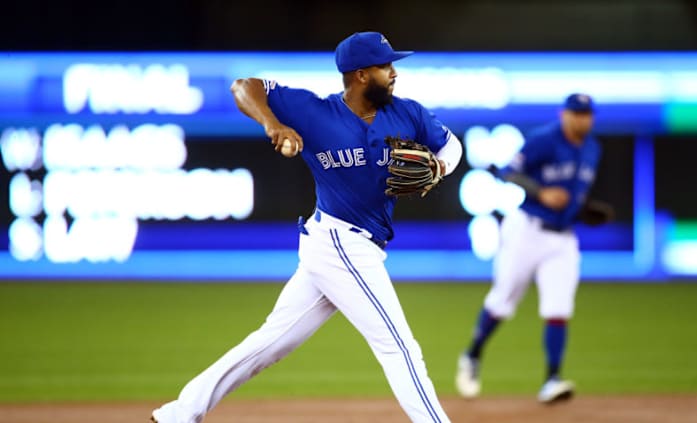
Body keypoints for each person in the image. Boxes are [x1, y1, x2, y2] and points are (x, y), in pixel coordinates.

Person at [150, 31, 463, 423]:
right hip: (340, 242)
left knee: (271, 342)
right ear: (362, 74)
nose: (394, 72)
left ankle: (180, 412)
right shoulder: (316, 112)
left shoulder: (408, 113)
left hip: (345, 245)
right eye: (385, 65)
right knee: (398, 346)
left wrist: (438, 166)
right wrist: (272, 124)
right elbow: (243, 86)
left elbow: (451, 146)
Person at [455, 93, 604, 403]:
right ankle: (472, 356)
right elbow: (508, 172)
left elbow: (573, 194)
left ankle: (552, 379)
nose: (582, 119)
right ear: (564, 114)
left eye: (587, 114)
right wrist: (541, 192)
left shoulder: (592, 148)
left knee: (559, 308)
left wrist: (584, 209)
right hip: (527, 230)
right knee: (502, 300)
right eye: (576, 113)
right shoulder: (545, 140)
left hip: (563, 237)